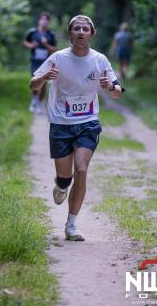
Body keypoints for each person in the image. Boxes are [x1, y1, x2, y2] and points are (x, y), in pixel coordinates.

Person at [30, 15, 125, 241]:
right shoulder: (58, 58)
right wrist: (44, 77)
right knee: (65, 177)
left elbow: (118, 92)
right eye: (77, 29)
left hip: (88, 122)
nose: (81, 32)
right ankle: (62, 185)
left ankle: (71, 225)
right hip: (61, 123)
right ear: (70, 33)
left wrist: (110, 85)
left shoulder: (100, 60)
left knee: (81, 169)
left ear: (92, 34)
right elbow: (33, 84)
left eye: (85, 29)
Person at [23, 12, 57, 113]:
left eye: (46, 20)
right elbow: (25, 43)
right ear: (39, 21)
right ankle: (34, 100)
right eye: (42, 19)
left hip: (46, 62)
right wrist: (31, 46)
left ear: (48, 22)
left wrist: (46, 44)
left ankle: (40, 103)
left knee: (43, 84)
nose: (44, 22)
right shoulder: (32, 32)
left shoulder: (50, 35)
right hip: (34, 61)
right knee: (35, 81)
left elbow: (54, 49)